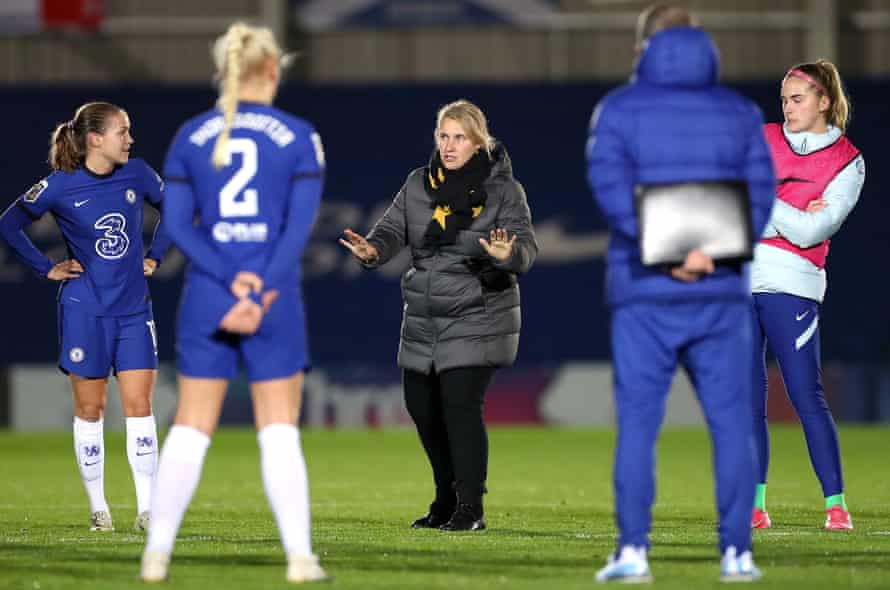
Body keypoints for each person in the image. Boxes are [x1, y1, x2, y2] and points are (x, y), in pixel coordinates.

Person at [585, 4, 776, 582]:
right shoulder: (740, 112)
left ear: (643, 47)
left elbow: (608, 187)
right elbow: (762, 193)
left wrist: (671, 251)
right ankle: (737, 553)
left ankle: (634, 551)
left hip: (645, 291)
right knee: (732, 425)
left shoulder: (617, 109)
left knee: (639, 425)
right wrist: (709, 252)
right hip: (720, 292)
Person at [139, 22, 328, 584]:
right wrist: (260, 288)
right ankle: (299, 558)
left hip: (209, 292)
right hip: (274, 293)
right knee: (279, 425)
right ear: (272, 71)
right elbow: (298, 231)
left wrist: (229, 279)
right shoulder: (298, 135)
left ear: (224, 71)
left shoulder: (189, 135)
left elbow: (176, 226)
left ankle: (157, 556)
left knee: (192, 424)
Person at [340, 99, 537, 532]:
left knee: (459, 406)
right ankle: (446, 497)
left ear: (478, 141)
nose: (449, 146)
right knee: (421, 407)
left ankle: (471, 507)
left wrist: (509, 254)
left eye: (459, 137)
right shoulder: (418, 183)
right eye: (443, 136)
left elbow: (526, 249)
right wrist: (373, 250)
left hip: (479, 311)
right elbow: (393, 230)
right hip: (424, 316)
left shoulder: (503, 190)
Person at [0, 102, 169, 533]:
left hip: (134, 309)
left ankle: (148, 510)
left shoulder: (140, 173)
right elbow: (9, 223)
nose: (129, 139)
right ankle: (100, 510)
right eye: (122, 132)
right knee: (90, 410)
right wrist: (46, 267)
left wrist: (156, 256)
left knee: (140, 406)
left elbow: (179, 210)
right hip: (85, 311)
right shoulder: (60, 185)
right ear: (95, 139)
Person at [750, 60, 864, 531]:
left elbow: (814, 229)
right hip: (739, 279)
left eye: (797, 99)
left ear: (823, 101)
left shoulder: (848, 161)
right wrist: (791, 213)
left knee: (805, 394)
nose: (787, 108)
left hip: (793, 284)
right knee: (745, 398)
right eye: (783, 99)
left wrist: (764, 201)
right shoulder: (761, 137)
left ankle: (835, 504)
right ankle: (754, 506)